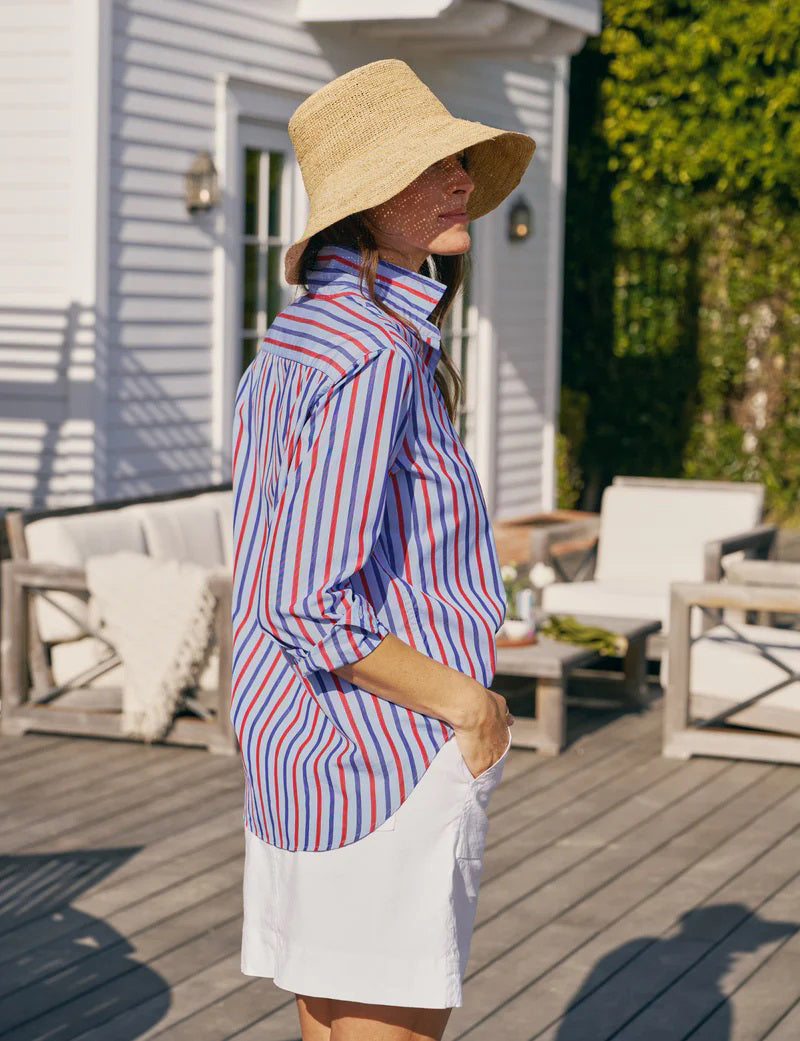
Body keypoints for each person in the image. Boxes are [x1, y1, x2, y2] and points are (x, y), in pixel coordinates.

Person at [231, 58, 536, 1041]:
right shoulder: (370, 351)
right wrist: (470, 703)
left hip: (303, 746)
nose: (458, 179)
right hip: (381, 753)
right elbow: (307, 598)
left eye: (457, 161)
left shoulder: (302, 335)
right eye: (429, 165)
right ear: (364, 201)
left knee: (328, 1017)